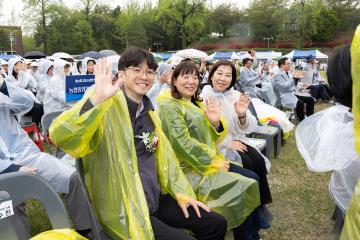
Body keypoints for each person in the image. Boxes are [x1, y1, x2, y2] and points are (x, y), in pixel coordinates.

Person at [50, 47, 227, 240]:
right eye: (137, 70)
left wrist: (182, 193)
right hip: (126, 207)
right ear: (121, 74)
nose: (144, 76)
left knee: (216, 224)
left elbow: (166, 160)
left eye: (149, 72)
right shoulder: (105, 109)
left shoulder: (150, 113)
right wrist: (97, 99)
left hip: (155, 199)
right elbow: (61, 136)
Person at [157, 60, 262, 240]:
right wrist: (212, 161)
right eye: (185, 76)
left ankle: (251, 233)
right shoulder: (169, 105)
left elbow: (213, 137)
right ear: (174, 80)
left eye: (195, 77)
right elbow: (181, 144)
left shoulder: (195, 102)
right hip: (190, 169)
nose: (191, 81)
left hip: (209, 161)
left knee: (252, 178)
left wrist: (215, 123)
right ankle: (247, 235)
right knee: (246, 184)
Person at [0, 76, 93, 239]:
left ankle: (86, 231)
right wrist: (14, 170)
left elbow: (28, 103)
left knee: (71, 178)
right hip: (3, 171)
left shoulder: (2, 95)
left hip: (26, 156)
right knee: (8, 201)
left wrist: (4, 86)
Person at [200, 60, 274, 227]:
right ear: (211, 75)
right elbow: (203, 133)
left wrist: (241, 115)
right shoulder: (203, 98)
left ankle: (260, 205)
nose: (223, 78)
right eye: (219, 73)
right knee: (247, 164)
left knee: (257, 160)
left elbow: (248, 127)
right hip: (217, 147)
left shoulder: (234, 95)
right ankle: (250, 210)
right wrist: (226, 143)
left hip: (238, 140)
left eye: (228, 75)